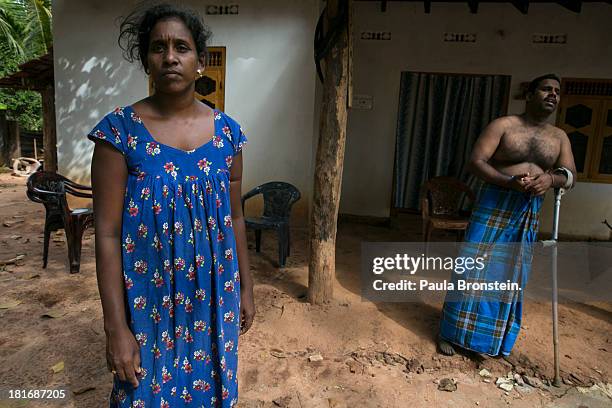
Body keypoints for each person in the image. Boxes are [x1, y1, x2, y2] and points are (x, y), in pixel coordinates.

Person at [88, 3, 255, 407]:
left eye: (182, 46)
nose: (170, 57)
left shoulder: (228, 135)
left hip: (213, 297)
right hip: (148, 300)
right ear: (146, 59)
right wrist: (115, 328)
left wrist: (247, 287)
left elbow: (234, 216)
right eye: (158, 47)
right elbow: (107, 234)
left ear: (200, 60)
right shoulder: (119, 132)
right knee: (142, 393)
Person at [437, 74, 576, 357]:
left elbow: (570, 175)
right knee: (471, 267)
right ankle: (450, 333)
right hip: (494, 202)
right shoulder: (504, 125)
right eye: (546, 89)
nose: (553, 95)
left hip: (527, 210)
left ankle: (489, 342)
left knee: (509, 273)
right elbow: (475, 162)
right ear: (529, 94)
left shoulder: (559, 137)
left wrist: (550, 180)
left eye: (557, 92)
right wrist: (507, 182)